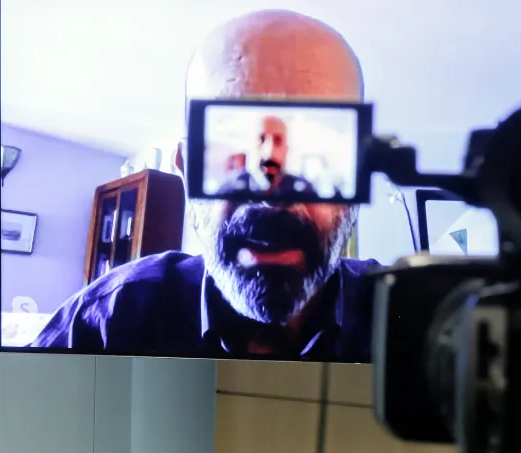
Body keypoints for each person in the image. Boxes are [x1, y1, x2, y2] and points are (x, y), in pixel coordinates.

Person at [30, 10, 378, 360]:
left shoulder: (413, 320)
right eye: (233, 141)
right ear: (186, 170)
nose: (271, 196)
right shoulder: (111, 319)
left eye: (315, 148)